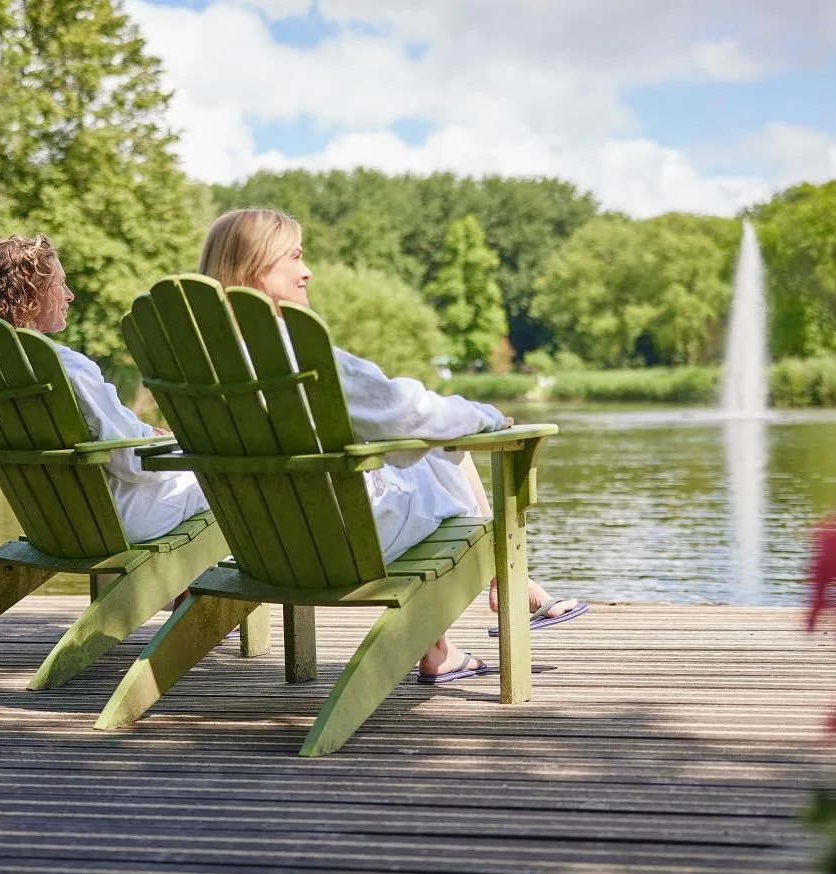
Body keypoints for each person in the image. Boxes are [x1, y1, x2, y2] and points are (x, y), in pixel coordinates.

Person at [198, 208, 583, 683]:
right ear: (257, 266)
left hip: (261, 542)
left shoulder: (201, 361)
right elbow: (408, 410)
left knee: (436, 452)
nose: (307, 270)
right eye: (295, 256)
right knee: (449, 454)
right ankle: (504, 581)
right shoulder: (295, 351)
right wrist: (484, 416)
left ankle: (444, 645)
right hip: (344, 544)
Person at [0, 235, 209, 543]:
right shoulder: (66, 368)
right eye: (60, 284)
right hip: (116, 517)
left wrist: (145, 434)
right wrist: (168, 445)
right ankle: (194, 591)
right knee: (222, 485)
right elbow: (132, 463)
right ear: (31, 294)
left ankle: (174, 590)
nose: (69, 296)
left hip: (49, 521)